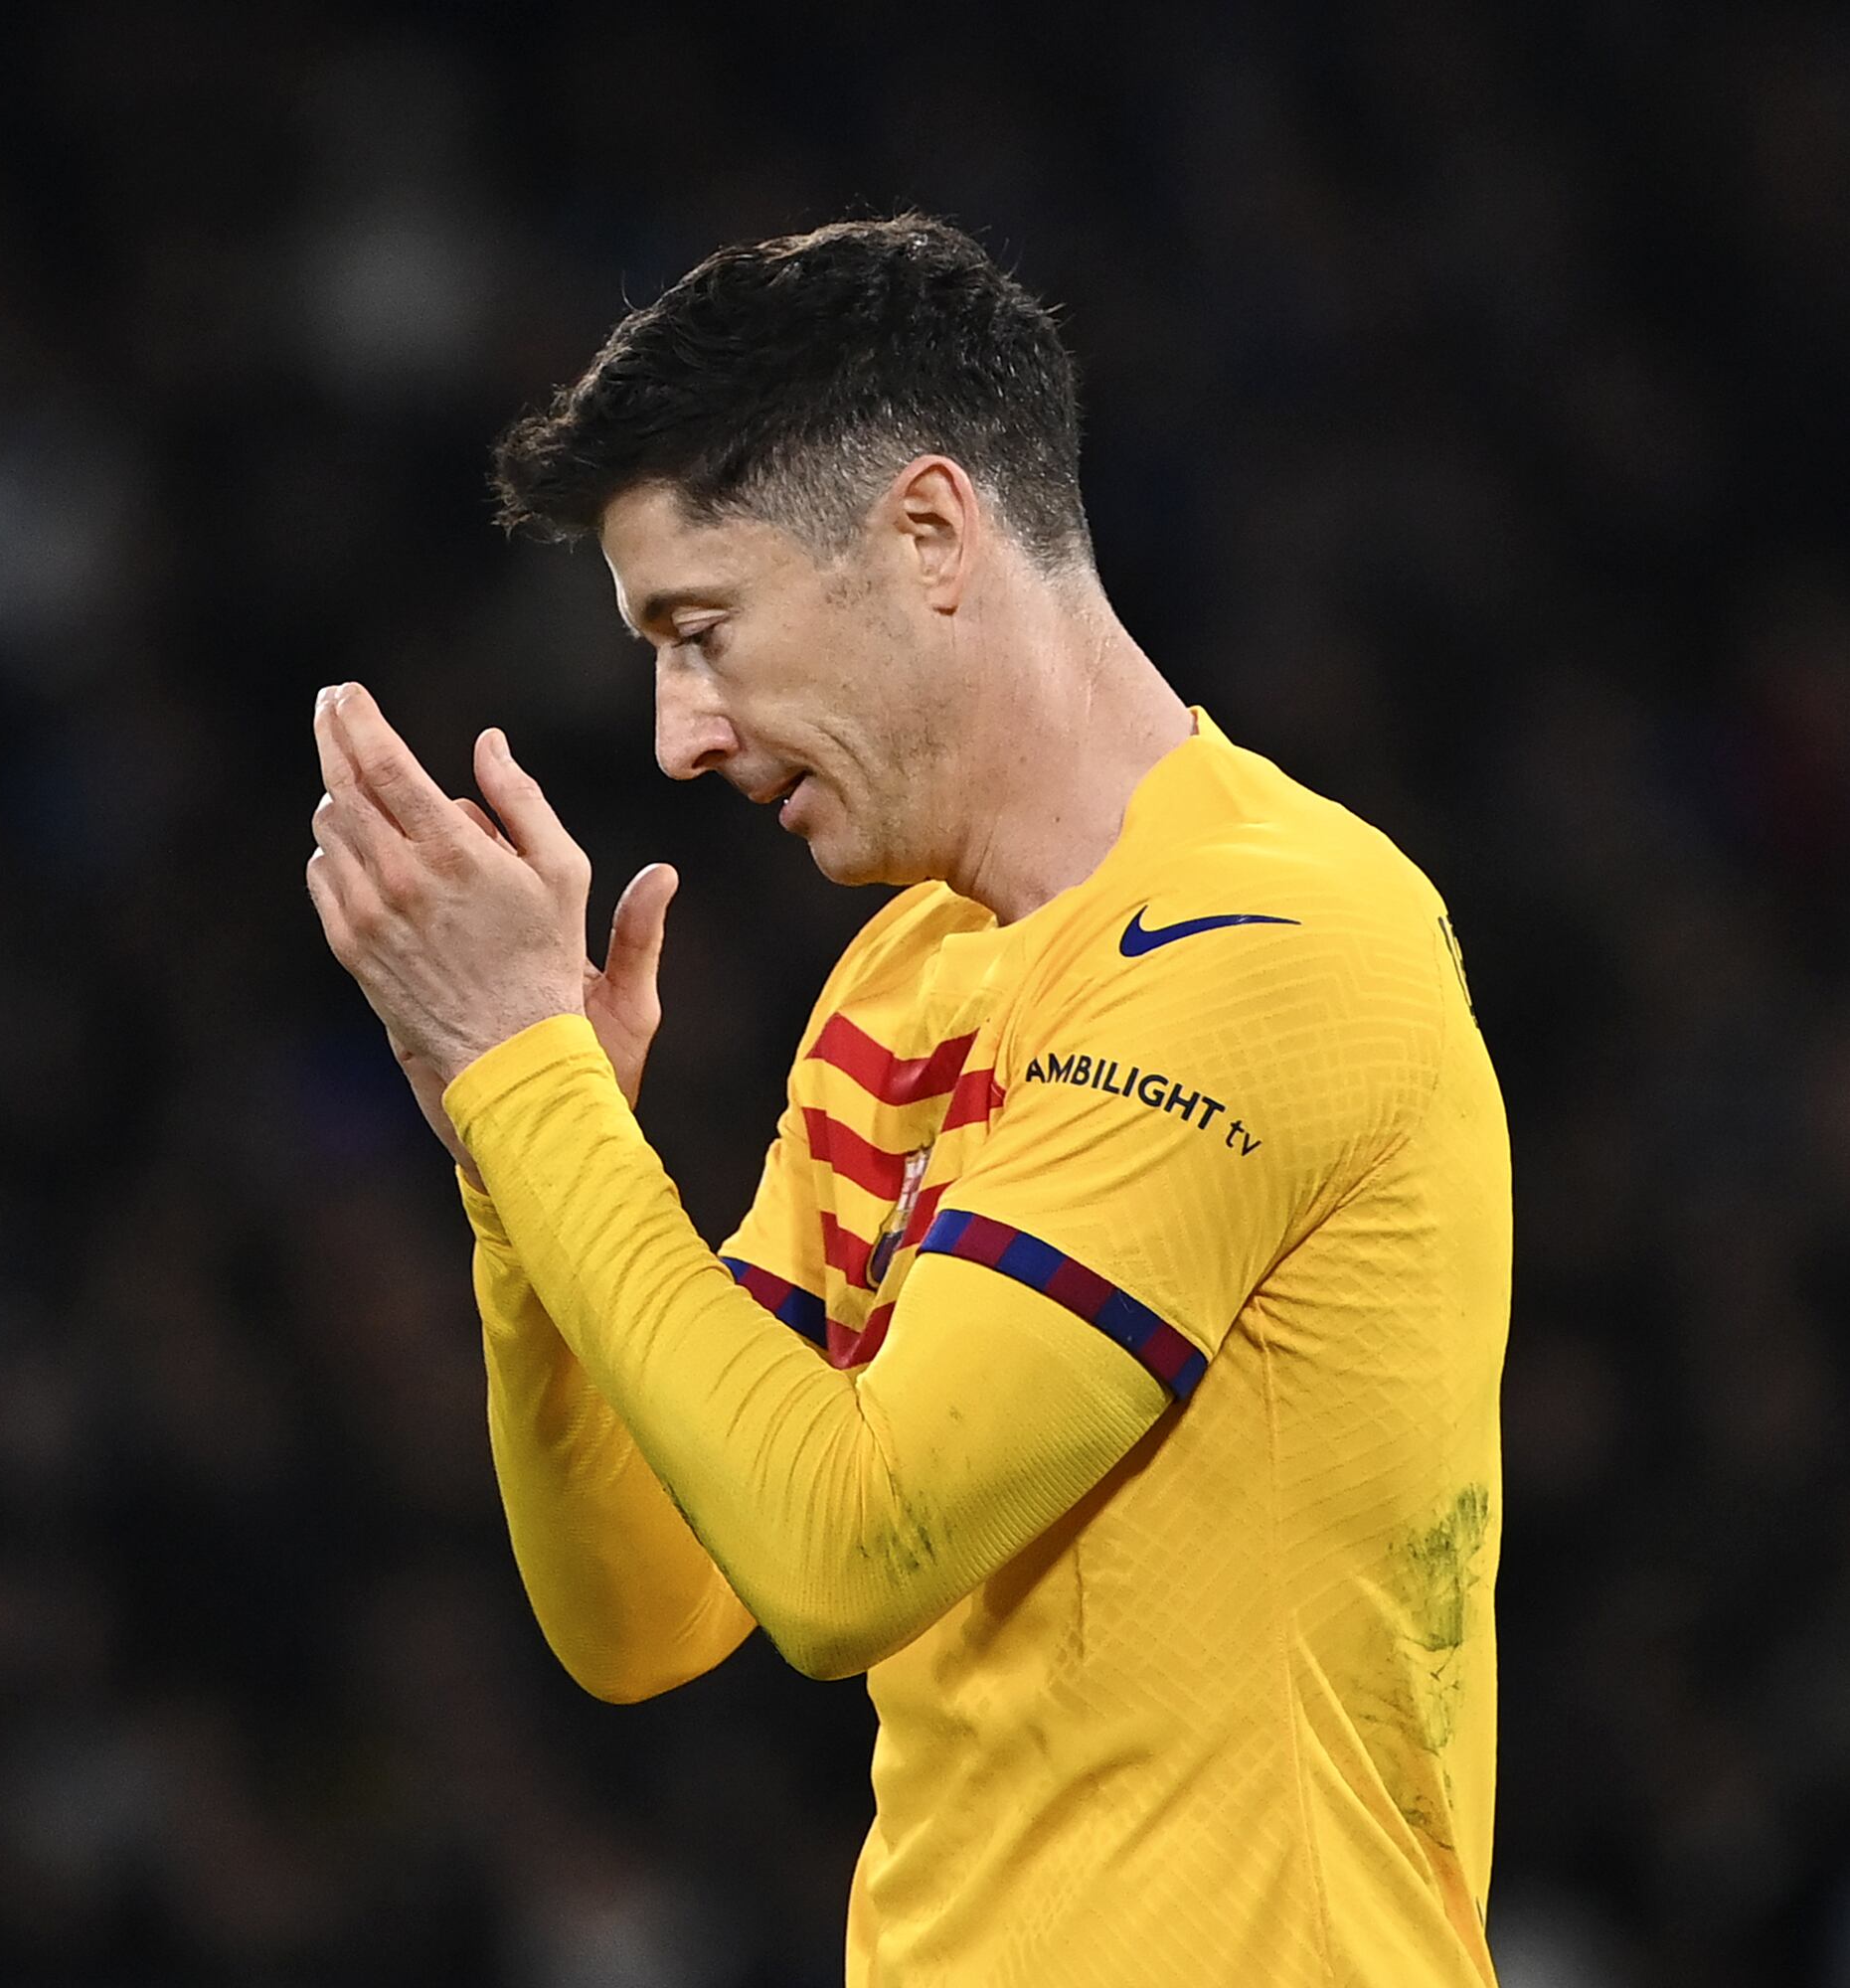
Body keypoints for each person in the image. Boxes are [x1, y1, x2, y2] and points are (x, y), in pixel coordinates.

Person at [304, 215, 1507, 1986]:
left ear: (928, 536)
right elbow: (644, 1609)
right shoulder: (908, 973)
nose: (675, 738)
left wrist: (530, 1085)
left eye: (699, 632)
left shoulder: (1272, 945)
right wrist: (518, 1159)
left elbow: (845, 1549)